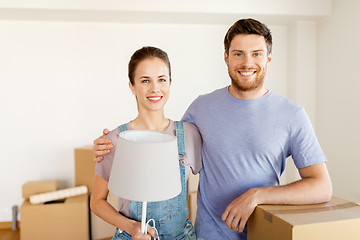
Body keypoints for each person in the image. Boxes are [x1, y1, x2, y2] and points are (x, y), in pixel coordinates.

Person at [93, 19, 332, 240]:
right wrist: (109, 143)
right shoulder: (201, 108)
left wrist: (258, 195)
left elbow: (321, 187)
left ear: (268, 58)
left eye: (256, 54)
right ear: (226, 58)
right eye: (238, 54)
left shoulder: (293, 115)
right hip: (207, 234)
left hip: (262, 233)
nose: (247, 62)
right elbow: (162, 138)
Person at [90, 46, 202, 240]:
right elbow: (97, 202)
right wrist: (131, 227)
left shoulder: (189, 134)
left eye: (161, 79)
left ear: (169, 83)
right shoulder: (114, 140)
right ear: (132, 86)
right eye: (145, 81)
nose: (155, 88)